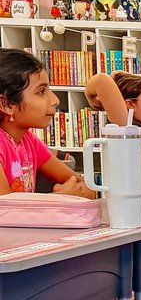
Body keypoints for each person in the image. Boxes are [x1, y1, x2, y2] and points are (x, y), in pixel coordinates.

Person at [0, 48, 91, 196]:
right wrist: (59, 200)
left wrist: (75, 192)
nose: (55, 100)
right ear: (7, 105)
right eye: (41, 91)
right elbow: (5, 211)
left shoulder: (28, 140)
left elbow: (83, 186)